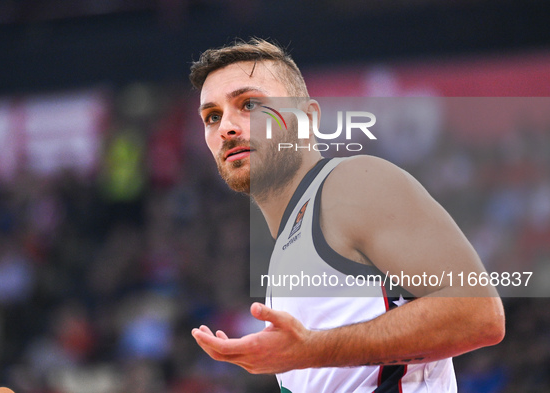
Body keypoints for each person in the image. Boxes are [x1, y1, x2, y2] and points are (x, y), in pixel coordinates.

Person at [189, 38, 505, 392]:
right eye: (211, 116)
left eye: (249, 104)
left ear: (308, 118)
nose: (226, 127)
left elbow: (478, 315)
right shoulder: (288, 244)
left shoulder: (352, 183)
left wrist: (310, 350)